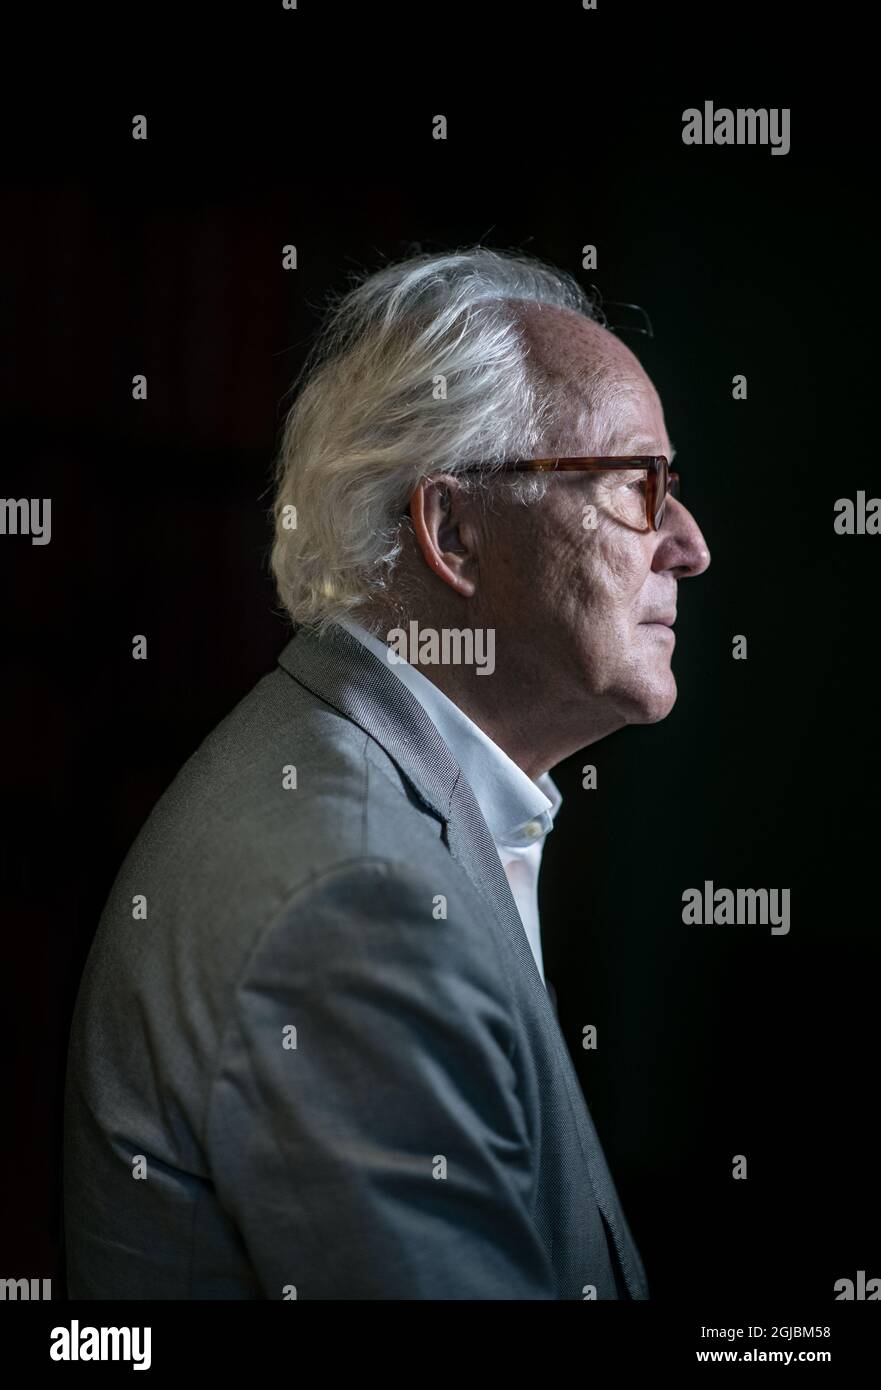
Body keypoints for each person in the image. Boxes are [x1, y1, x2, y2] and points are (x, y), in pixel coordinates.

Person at [63, 247, 710, 1299]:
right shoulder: (363, 898)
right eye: (635, 485)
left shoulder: (361, 782)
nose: (685, 543)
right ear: (453, 531)